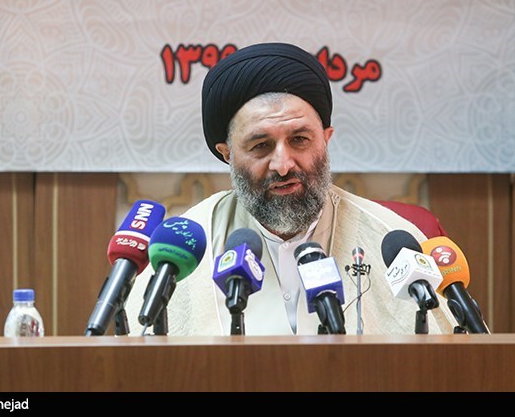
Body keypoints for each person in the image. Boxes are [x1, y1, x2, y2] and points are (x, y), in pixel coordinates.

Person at [125, 41, 458, 336]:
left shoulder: (393, 235)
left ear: (326, 139)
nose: (283, 165)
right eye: (260, 145)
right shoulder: (184, 247)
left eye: (299, 139)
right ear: (227, 154)